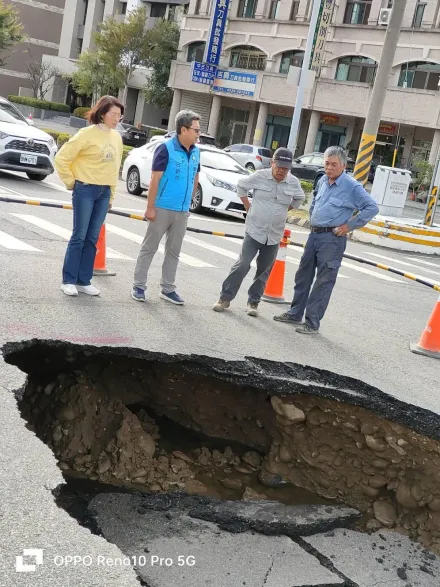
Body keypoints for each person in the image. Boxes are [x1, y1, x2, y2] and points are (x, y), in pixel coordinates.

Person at [274, 145, 379, 334]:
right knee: (303, 275)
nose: (329, 168)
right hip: (315, 235)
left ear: (344, 165)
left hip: (332, 239)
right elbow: (315, 200)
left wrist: (349, 226)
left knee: (323, 281)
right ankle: (295, 313)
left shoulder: (351, 186)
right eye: (327, 164)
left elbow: (371, 207)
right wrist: (313, 216)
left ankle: (312, 323)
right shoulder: (323, 180)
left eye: (334, 164)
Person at [213, 148, 305, 317]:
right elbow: (241, 186)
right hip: (254, 230)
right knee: (242, 265)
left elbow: (300, 198)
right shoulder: (260, 176)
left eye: (286, 168)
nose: (282, 171)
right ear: (272, 163)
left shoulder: (293, 182)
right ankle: (224, 298)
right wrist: (248, 207)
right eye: (279, 167)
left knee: (264, 271)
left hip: (275, 234)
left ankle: (253, 302)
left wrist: (286, 209)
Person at [55, 95, 124, 297]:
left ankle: (84, 280)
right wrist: (71, 182)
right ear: (102, 114)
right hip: (85, 189)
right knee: (79, 235)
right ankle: (68, 280)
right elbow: (62, 158)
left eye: (120, 115)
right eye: (114, 114)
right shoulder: (86, 134)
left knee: (92, 238)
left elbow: (114, 168)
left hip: (104, 192)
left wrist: (111, 196)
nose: (117, 118)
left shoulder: (117, 138)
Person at [131, 110, 201, 305]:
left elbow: (196, 176)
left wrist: (189, 201)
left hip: (182, 210)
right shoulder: (166, 149)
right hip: (162, 207)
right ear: (183, 129)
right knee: (149, 247)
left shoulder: (196, 151)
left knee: (174, 251)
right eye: (196, 130)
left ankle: (168, 288)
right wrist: (150, 207)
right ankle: (139, 285)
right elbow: (155, 179)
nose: (198, 134)